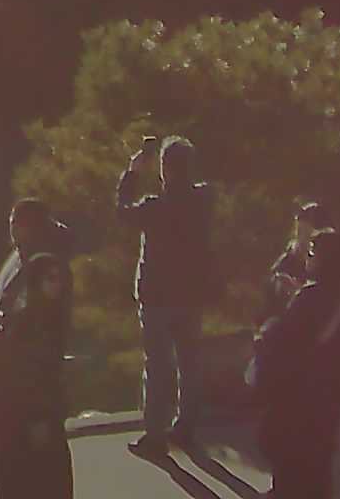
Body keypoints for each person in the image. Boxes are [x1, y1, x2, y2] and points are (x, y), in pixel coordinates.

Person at [114, 136, 213, 452]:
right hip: (192, 293)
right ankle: (187, 427)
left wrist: (131, 175)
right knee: (190, 362)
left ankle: (155, 434)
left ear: (165, 170)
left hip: (157, 295)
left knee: (157, 365)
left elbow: (123, 213)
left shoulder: (154, 208)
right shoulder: (204, 200)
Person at [250, 229, 340, 499]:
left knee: (287, 445)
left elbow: (289, 336)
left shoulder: (310, 296)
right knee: (319, 449)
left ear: (324, 258)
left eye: (312, 253)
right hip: (330, 385)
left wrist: (271, 320)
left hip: (299, 385)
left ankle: (285, 492)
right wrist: (297, 293)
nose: (308, 259)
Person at [0, 212, 75, 499]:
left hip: (41, 413)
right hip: (28, 416)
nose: (56, 284)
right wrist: (38, 417)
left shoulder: (49, 318)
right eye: (49, 279)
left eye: (58, 278)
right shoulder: (29, 322)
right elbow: (28, 374)